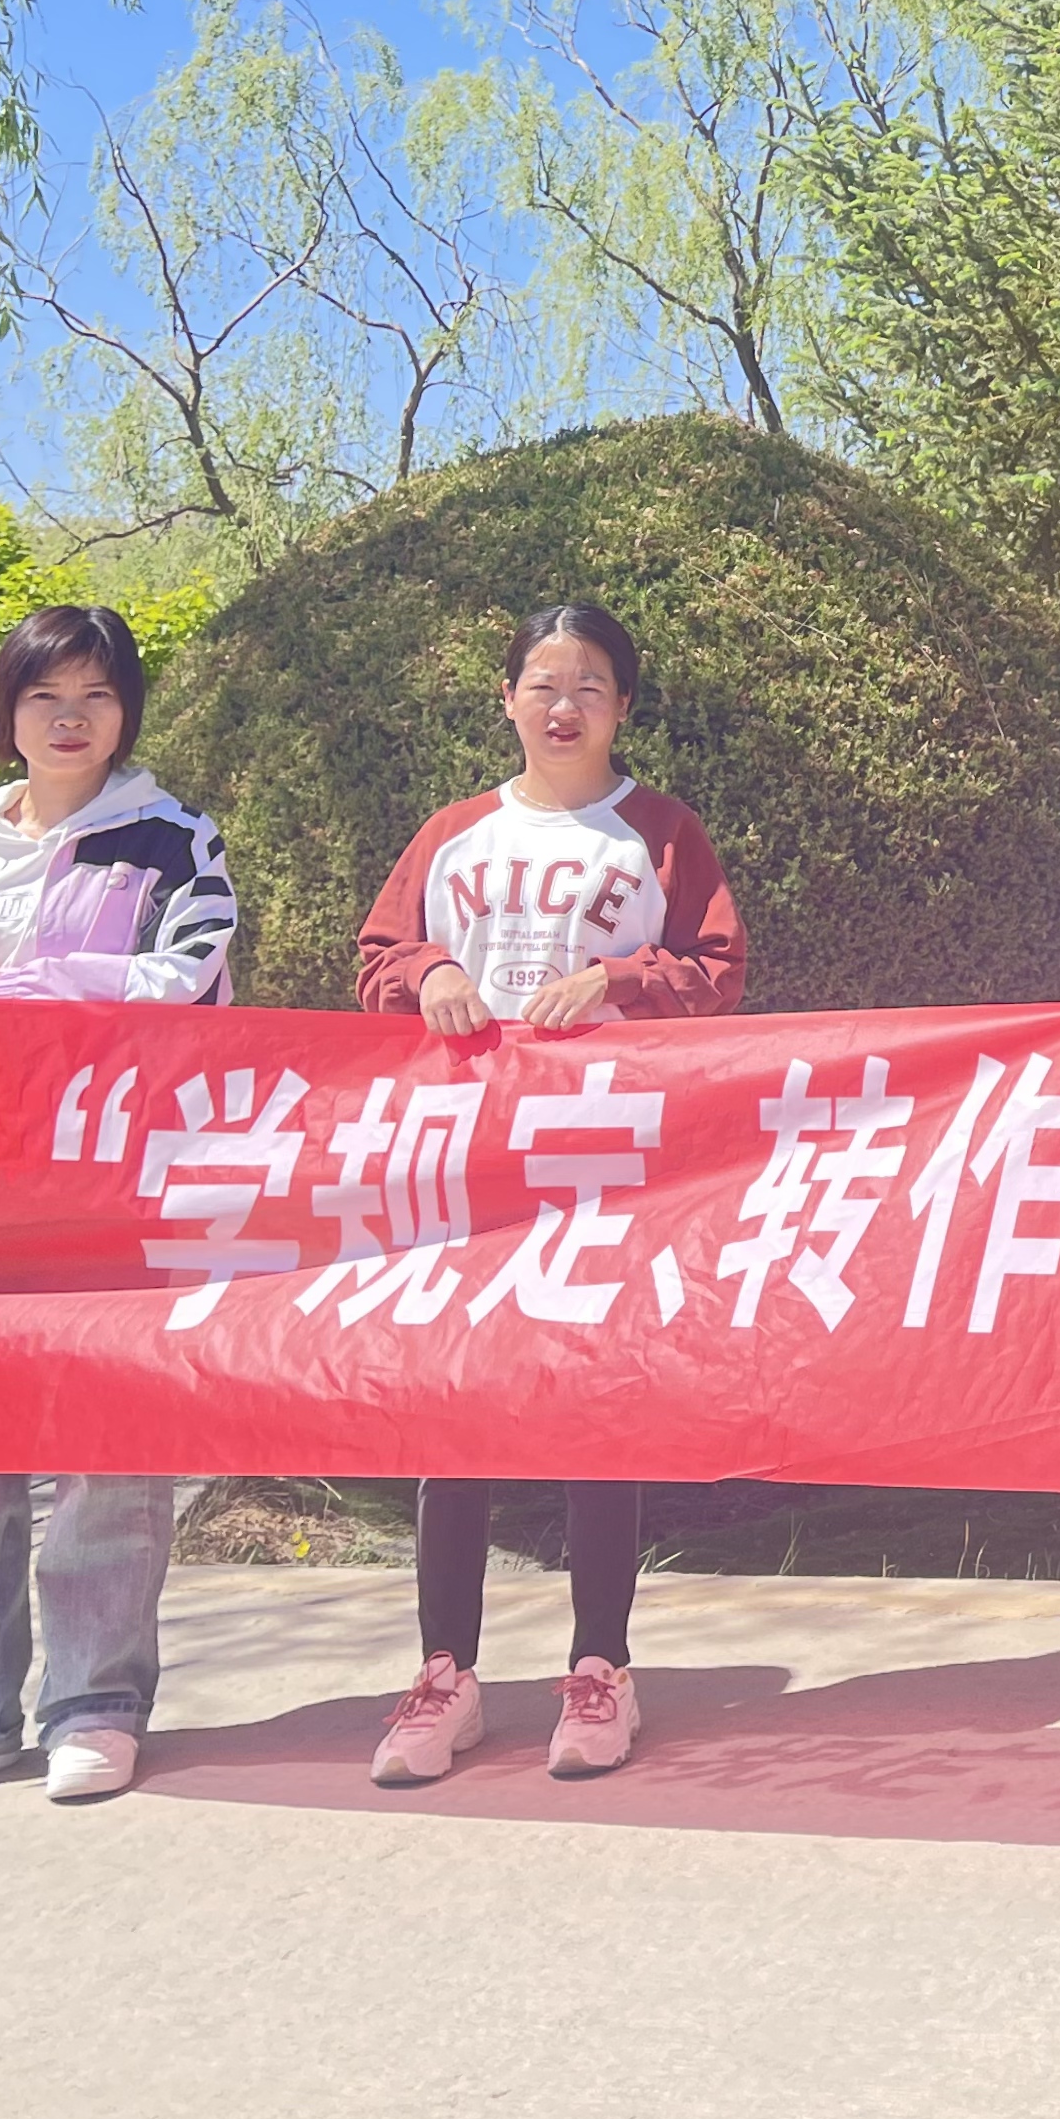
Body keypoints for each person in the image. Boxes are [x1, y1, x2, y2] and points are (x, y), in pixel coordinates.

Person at [353, 605, 746, 1790]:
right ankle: (445, 1674)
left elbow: (718, 968)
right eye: (542, 682)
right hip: (467, 1153)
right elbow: (379, 955)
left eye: (589, 685)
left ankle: (600, 1666)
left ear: (623, 705)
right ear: (507, 697)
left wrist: (619, 981)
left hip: (605, 1151)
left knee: (594, 1403)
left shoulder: (660, 832)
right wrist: (432, 971)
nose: (563, 705)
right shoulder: (454, 834)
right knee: (453, 1406)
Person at [0, 607, 236, 1812]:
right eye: (45, 695)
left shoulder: (171, 842)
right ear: (7, 712)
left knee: (105, 1448)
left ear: (126, 712)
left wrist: (22, 988)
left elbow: (190, 978)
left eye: (96, 694)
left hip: (103, 1182)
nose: (71, 718)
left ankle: (95, 1704)